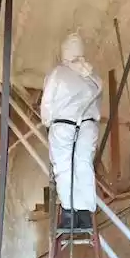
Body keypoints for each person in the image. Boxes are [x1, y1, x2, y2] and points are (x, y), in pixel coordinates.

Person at [41, 33, 102, 230]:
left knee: (64, 168)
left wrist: (46, 121)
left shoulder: (58, 73)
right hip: (88, 126)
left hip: (64, 126)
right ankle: (85, 215)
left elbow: (47, 102)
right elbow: (98, 105)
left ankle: (69, 215)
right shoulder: (93, 75)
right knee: (84, 166)